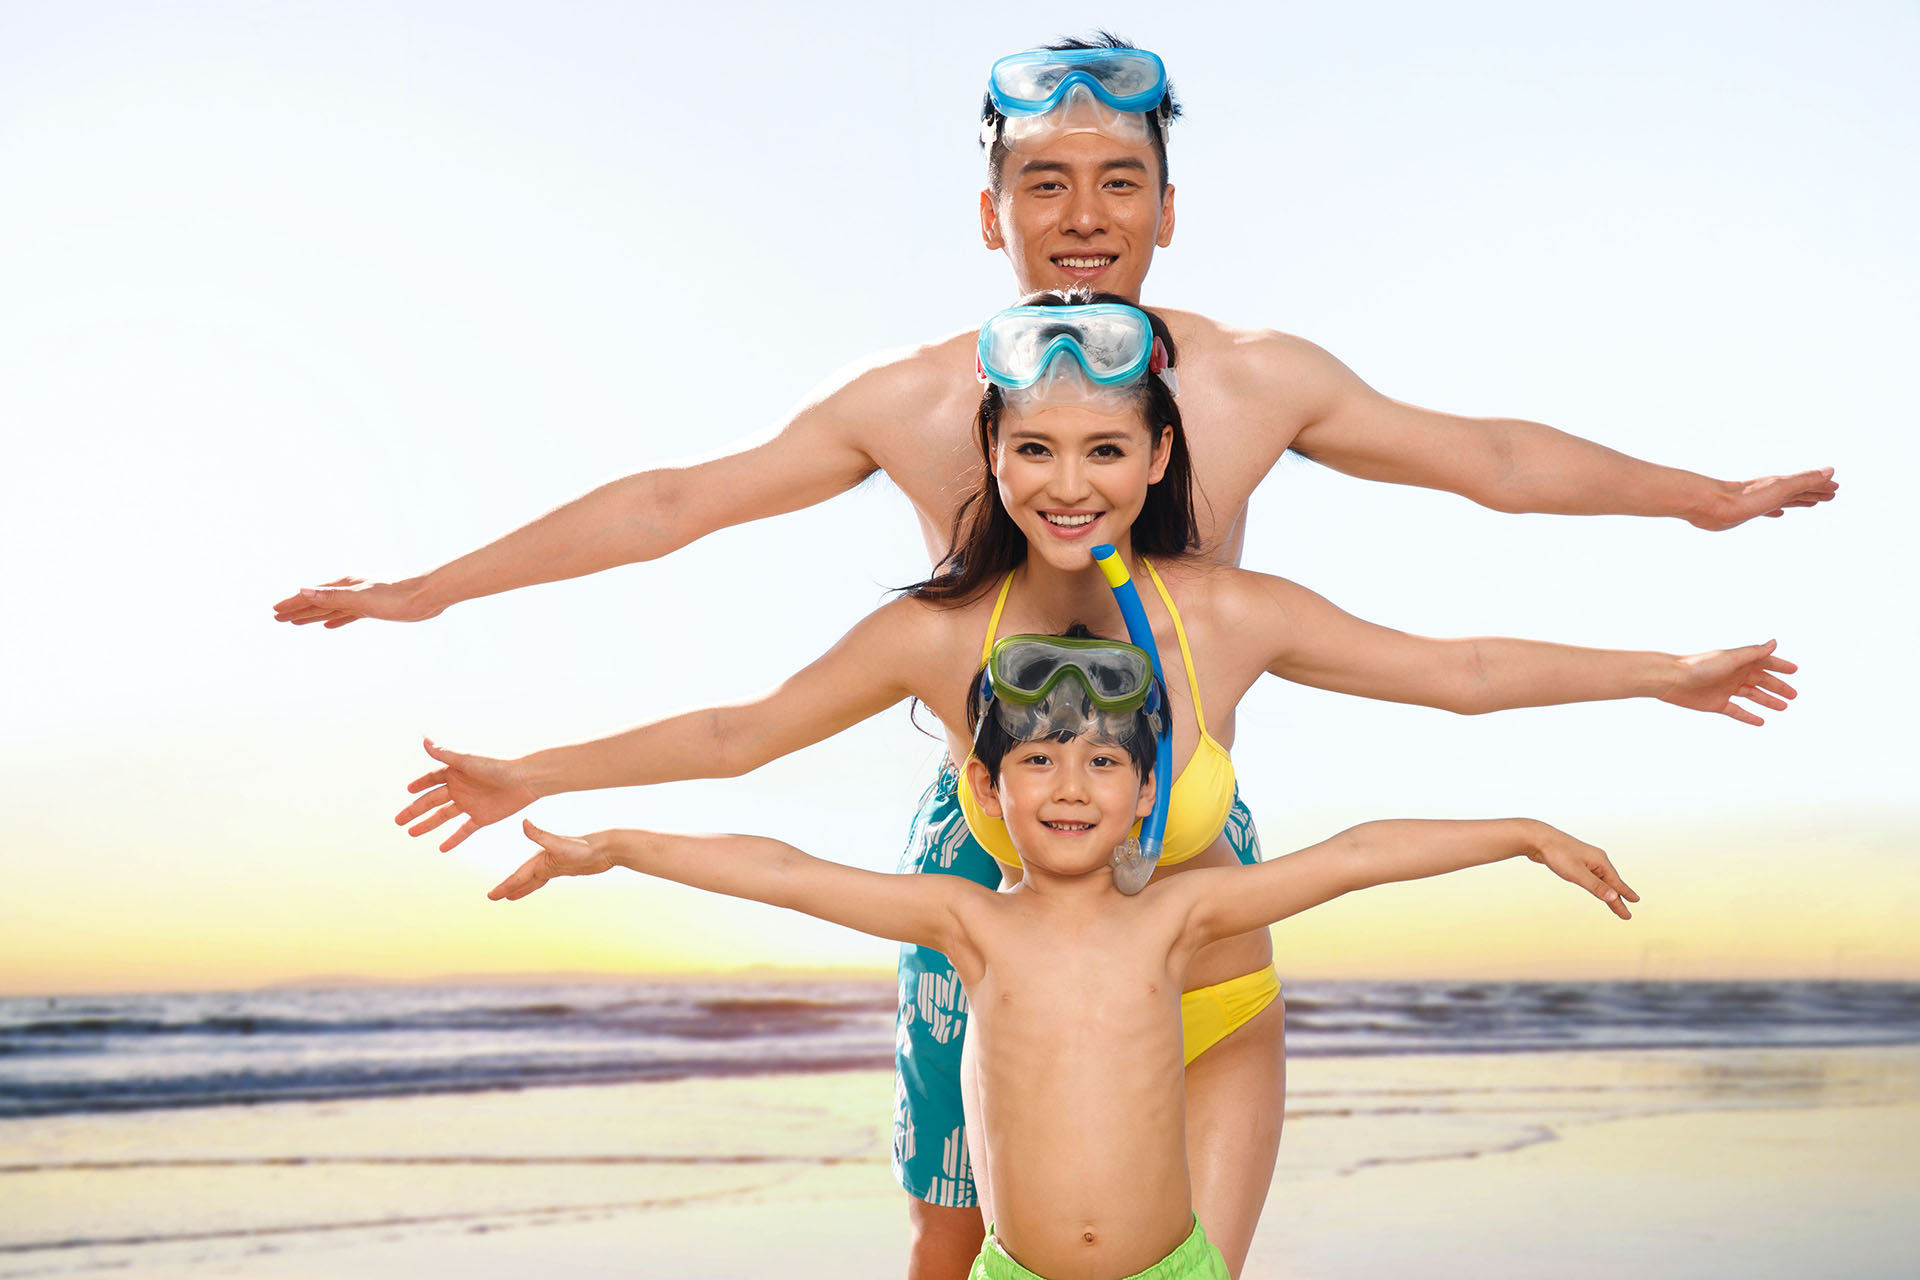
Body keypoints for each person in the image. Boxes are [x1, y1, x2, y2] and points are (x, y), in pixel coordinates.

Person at [388, 295, 1797, 1276]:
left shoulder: (1228, 611)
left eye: (1108, 449)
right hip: (1024, 1009)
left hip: (1212, 988)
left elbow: (1462, 671)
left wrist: (1663, 669)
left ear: (1160, 457)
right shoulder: (935, 637)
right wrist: (539, 780)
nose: (1072, 482)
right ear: (991, 460)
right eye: (1036, 450)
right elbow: (736, 740)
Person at [483, 631, 1639, 1280]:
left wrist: (1524, 833)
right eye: (1038, 760)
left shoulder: (1178, 920)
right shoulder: (969, 923)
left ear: (1146, 797)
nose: (1070, 782)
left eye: (1100, 762)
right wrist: (620, 843)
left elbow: (1354, 853)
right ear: (987, 788)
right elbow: (784, 869)